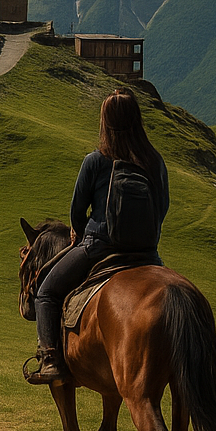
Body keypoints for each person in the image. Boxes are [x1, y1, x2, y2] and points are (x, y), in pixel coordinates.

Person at [25, 88, 169, 385]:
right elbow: (162, 207)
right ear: (137, 120)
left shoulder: (96, 160)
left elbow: (77, 211)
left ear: (105, 122)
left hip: (100, 248)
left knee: (46, 291)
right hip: (147, 253)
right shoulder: (155, 161)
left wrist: (80, 233)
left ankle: (51, 361)